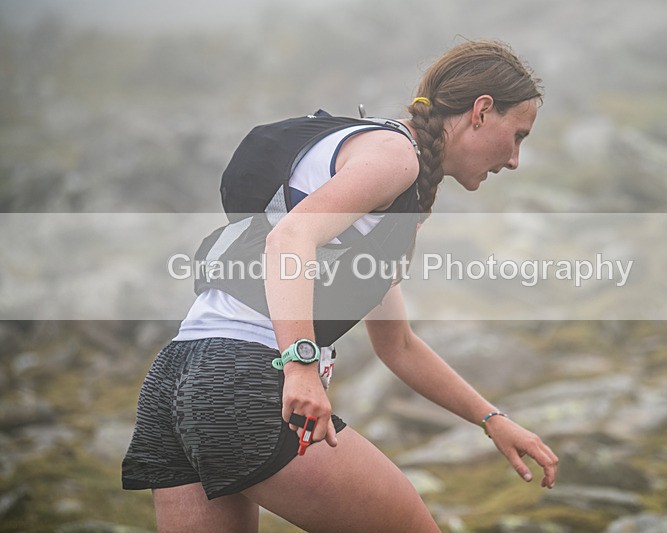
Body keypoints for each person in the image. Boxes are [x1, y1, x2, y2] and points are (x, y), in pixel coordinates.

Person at [122, 39, 558, 532]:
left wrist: (491, 419)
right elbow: (291, 238)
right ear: (481, 111)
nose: (516, 159)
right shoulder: (396, 155)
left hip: (178, 378)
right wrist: (301, 364)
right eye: (518, 135)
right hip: (245, 375)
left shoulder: (384, 189)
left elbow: (399, 346)